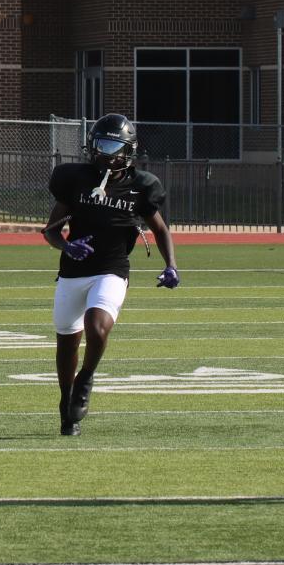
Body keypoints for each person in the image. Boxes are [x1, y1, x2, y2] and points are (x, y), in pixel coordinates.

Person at [43, 113, 178, 436]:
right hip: (73, 272)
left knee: (97, 327)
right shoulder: (74, 178)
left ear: (128, 150)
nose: (107, 153)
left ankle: (86, 377)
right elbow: (50, 230)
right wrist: (66, 247)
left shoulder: (141, 185)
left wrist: (171, 263)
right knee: (66, 343)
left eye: (114, 146)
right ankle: (66, 405)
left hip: (112, 270)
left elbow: (160, 229)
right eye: (102, 144)